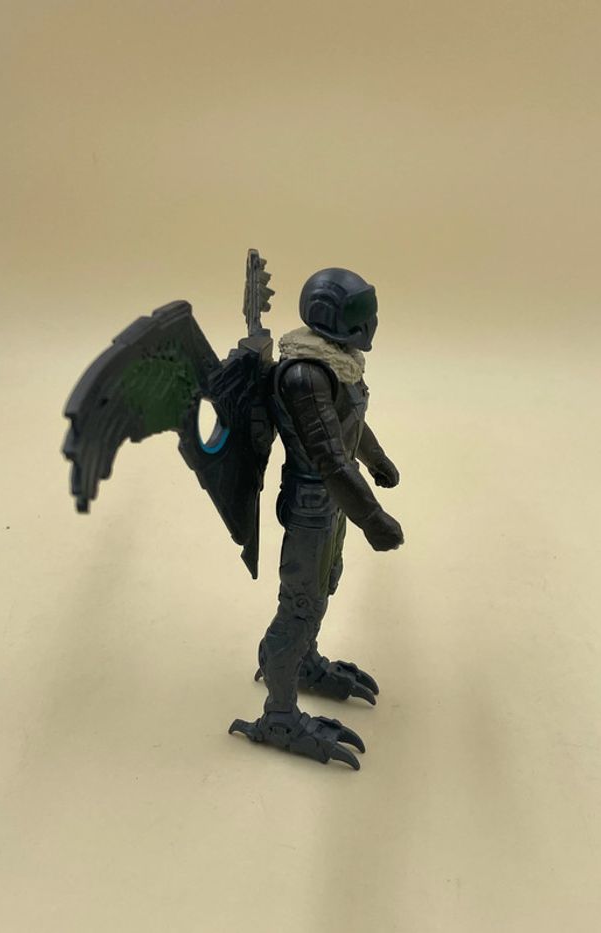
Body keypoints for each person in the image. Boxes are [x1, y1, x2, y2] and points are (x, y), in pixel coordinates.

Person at [229, 268, 404, 769]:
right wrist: (373, 518)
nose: (371, 321)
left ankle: (302, 663)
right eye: (360, 312)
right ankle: (279, 715)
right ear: (333, 317)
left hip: (334, 502)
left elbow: (350, 424)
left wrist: (377, 460)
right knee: (300, 605)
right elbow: (329, 457)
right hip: (312, 503)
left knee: (325, 583)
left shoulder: (337, 362)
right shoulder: (303, 374)